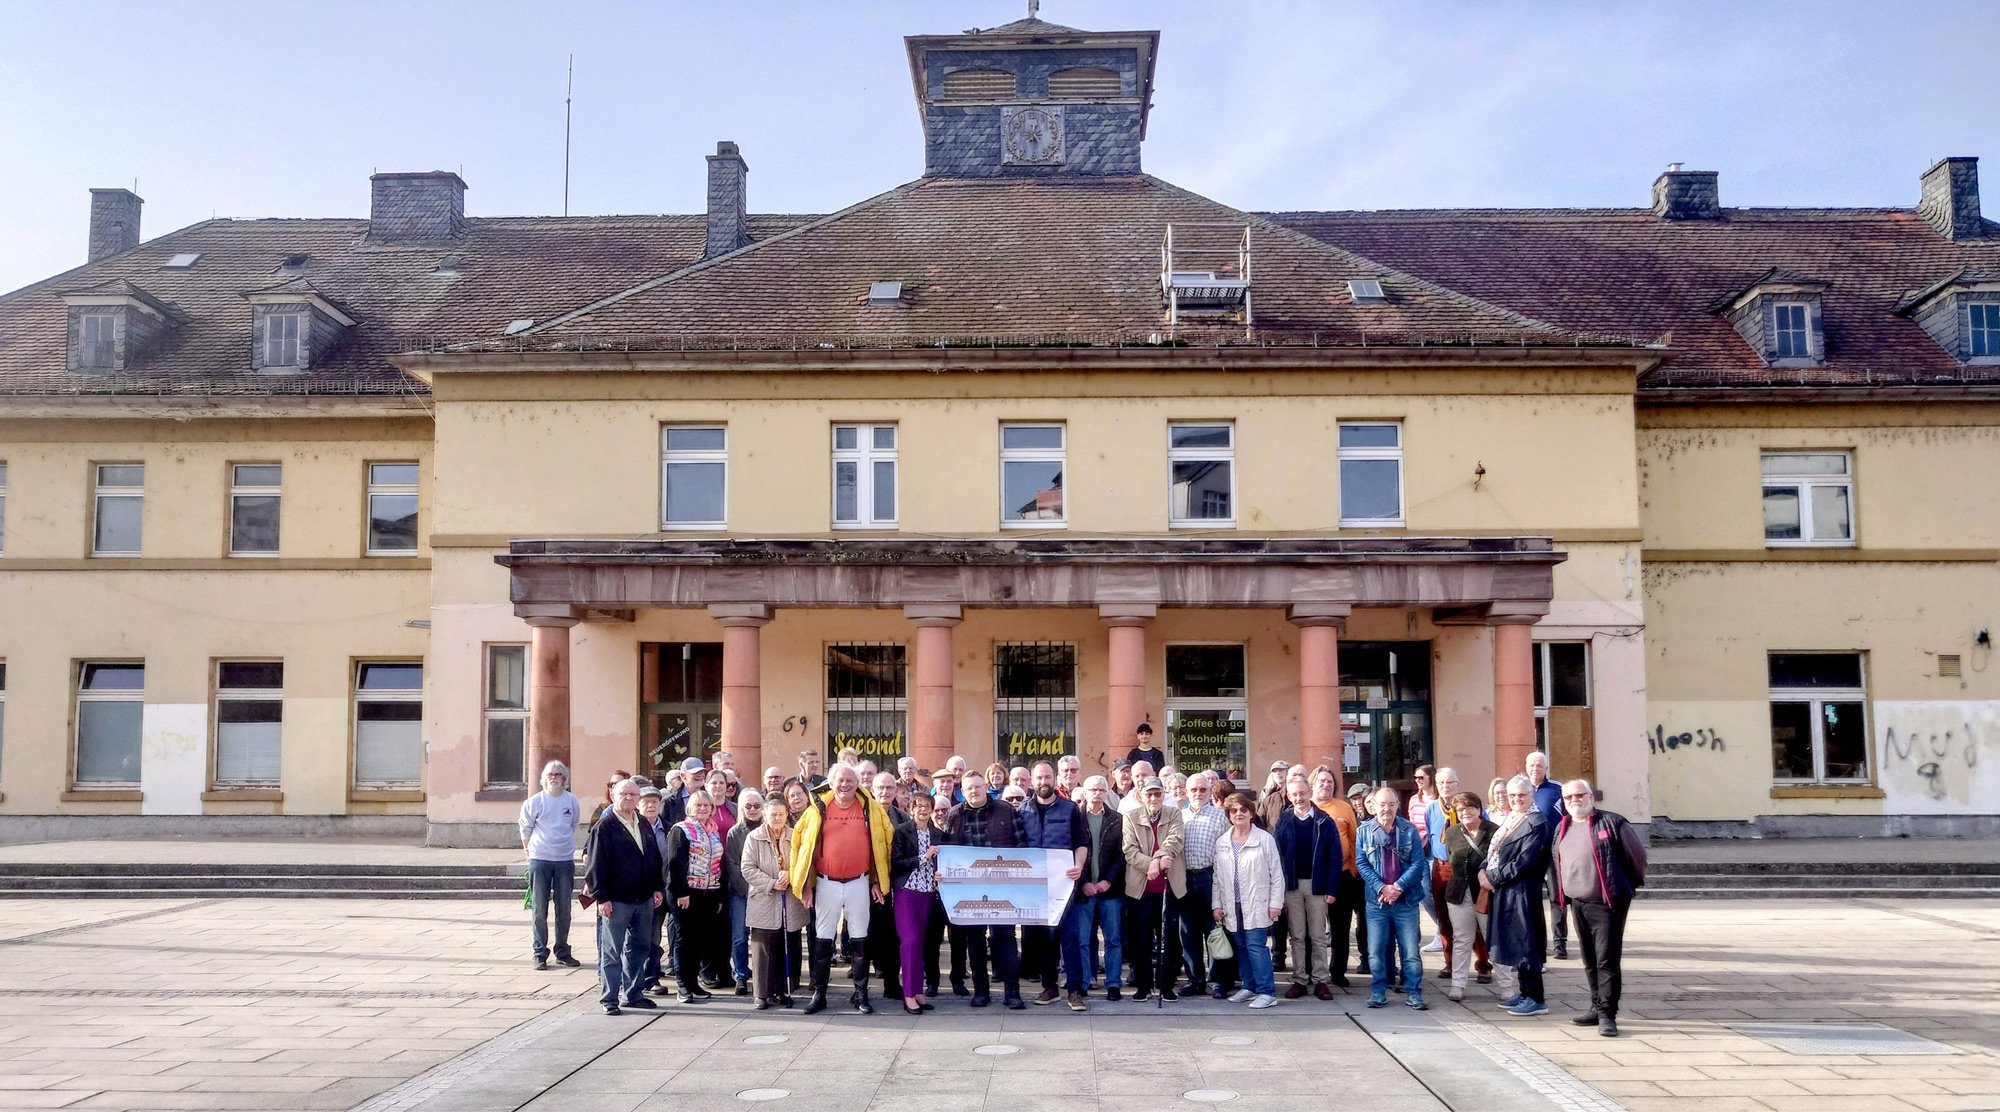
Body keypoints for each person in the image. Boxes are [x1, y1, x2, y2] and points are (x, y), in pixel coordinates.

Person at [788, 763, 895, 1015]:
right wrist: (806, 884)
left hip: (859, 881)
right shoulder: (817, 809)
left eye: (849, 780)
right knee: (823, 938)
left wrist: (878, 880)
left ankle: (861, 994)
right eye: (840, 780)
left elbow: (883, 844)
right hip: (826, 882)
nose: (844, 785)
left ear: (857, 782)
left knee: (860, 938)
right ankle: (819, 993)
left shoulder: (871, 808)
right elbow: (801, 847)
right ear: (831, 782)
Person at [1554, 779, 1647, 1037]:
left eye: (1579, 795)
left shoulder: (1613, 823)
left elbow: (1637, 858)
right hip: (1578, 902)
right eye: (1569, 797)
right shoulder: (1563, 826)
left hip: (1607, 903)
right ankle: (1596, 1007)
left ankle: (1608, 1014)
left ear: (1591, 796)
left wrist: (1624, 886)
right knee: (1589, 959)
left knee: (1606, 959)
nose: (1574, 800)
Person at [941, 770, 1027, 1009]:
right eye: (969, 789)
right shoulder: (954, 815)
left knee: (1005, 938)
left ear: (984, 786)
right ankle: (981, 991)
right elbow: (947, 852)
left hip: (1003, 886)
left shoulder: (1005, 810)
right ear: (963, 791)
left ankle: (1012, 992)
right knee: (975, 941)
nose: (974, 792)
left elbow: (1021, 845)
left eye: (978, 787)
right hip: (968, 889)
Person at [582, 778, 665, 1015]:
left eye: (633, 795)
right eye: (624, 794)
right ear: (614, 796)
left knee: (639, 947)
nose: (629, 798)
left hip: (644, 898)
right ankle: (609, 998)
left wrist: (657, 888)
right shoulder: (604, 827)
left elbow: (653, 859)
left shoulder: (643, 823)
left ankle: (634, 993)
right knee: (612, 950)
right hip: (616, 900)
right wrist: (602, 898)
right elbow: (595, 866)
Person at [1017, 760, 1090, 1010]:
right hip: (1035, 887)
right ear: (1032, 781)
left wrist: (1079, 866)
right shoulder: (1022, 811)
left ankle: (1075, 990)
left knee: (1069, 938)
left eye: (1047, 777)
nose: (1043, 782)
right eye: (1039, 778)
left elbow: (1081, 842)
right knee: (1042, 939)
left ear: (1055, 778)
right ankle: (1049, 987)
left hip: (1064, 886)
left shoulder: (1070, 809)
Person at [1482, 774, 1553, 1017]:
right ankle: (1524, 993)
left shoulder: (1536, 822)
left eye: (1521, 795)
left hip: (1523, 891)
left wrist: (1492, 877)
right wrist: (1484, 870)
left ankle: (1535, 998)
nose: (1516, 799)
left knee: (1526, 942)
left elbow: (1525, 861)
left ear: (1530, 795)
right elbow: (1496, 851)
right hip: (1506, 890)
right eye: (1512, 795)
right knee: (1514, 940)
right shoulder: (1513, 819)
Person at [1357, 785, 1428, 1010]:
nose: (1386, 808)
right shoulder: (1364, 831)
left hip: (1405, 901)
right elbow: (1361, 863)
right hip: (1376, 902)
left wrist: (1397, 887)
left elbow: (1419, 862)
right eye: (1382, 804)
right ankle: (1378, 991)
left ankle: (1414, 992)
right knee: (1376, 950)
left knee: (1410, 951)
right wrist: (1382, 888)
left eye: (1391, 804)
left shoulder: (1408, 830)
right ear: (1373, 807)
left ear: (1398, 805)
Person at [1211, 790, 1283, 1009]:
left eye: (1243, 809)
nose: (1239, 813)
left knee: (1256, 946)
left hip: (1257, 901)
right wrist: (1217, 904)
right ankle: (1249, 986)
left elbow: (1276, 874)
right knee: (1241, 946)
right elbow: (1217, 877)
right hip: (1233, 904)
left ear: (1251, 813)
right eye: (1233, 811)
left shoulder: (1264, 839)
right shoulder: (1223, 841)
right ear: (1228, 815)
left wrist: (1275, 903)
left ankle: (1266, 991)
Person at [1273, 776, 1341, 1000]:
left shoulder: (1324, 821)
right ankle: (1300, 979)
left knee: (1318, 936)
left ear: (1309, 792)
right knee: (1297, 936)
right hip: (1291, 886)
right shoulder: (1283, 821)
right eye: (1294, 795)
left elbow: (1335, 857)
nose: (1299, 798)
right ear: (1288, 796)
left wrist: (1332, 888)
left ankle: (1321, 980)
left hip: (1317, 886)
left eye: (1302, 793)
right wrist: (1278, 890)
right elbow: (1276, 857)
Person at [1122, 777, 1186, 1002]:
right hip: (1140, 889)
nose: (1153, 798)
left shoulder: (1174, 813)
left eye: (1157, 793)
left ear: (1163, 794)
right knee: (1140, 939)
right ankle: (1143, 985)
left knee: (1169, 938)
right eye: (1148, 794)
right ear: (1140, 795)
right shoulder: (1130, 817)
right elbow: (1129, 850)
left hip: (1169, 887)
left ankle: (1166, 985)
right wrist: (1149, 865)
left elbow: (1175, 840)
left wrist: (1157, 862)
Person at [740, 791, 803, 1010]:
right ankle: (761, 994)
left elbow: (802, 863)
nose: (777, 818)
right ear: (765, 814)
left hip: (789, 899)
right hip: (764, 899)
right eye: (773, 814)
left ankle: (782, 990)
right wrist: (770, 882)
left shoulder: (794, 836)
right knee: (762, 949)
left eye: (780, 814)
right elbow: (747, 868)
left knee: (785, 945)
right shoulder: (753, 837)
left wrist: (789, 873)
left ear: (787, 815)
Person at [666, 790, 730, 1004]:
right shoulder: (681, 829)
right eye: (698, 805)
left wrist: (719, 895)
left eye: (706, 805)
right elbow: (675, 863)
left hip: (709, 893)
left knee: (700, 940)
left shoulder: (713, 831)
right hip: (686, 893)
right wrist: (681, 892)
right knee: (684, 939)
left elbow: (719, 865)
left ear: (712, 808)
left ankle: (694, 983)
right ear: (690, 808)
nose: (702, 808)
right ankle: (683, 984)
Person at [519, 760, 582, 971]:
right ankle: (539, 952)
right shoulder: (534, 802)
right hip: (540, 859)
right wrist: (529, 852)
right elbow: (525, 829)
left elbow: (573, 825)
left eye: (558, 775)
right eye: (550, 775)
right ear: (543, 778)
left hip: (564, 859)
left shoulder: (571, 801)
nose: (554, 778)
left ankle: (563, 951)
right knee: (539, 908)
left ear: (564, 778)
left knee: (564, 908)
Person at [1424, 768, 1485, 982]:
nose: (1445, 787)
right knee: (1444, 918)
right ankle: (1450, 962)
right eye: (1441, 783)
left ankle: (1483, 964)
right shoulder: (1431, 808)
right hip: (1441, 867)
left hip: (1468, 868)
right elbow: (1431, 838)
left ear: (1457, 784)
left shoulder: (1468, 806)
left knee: (1475, 917)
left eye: (1450, 782)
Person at [1178, 770, 1231, 997]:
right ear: (1186, 792)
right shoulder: (1178, 816)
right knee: (1188, 932)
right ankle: (1195, 980)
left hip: (1211, 877)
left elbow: (1227, 851)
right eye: (1193, 790)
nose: (1198, 793)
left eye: (1202, 790)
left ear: (1210, 791)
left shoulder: (1220, 817)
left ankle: (1217, 980)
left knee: (1214, 930)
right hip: (1185, 879)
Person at [1073, 774, 1126, 1002]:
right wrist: (1083, 882)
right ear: (1084, 792)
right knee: (1083, 940)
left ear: (1107, 793)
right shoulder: (1075, 819)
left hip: (1110, 890)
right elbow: (1071, 852)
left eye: (1101, 790)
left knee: (1113, 940)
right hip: (1083, 891)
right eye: (1093, 789)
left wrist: (1108, 881)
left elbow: (1122, 854)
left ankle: (1113, 983)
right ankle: (1084, 982)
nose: (1097, 793)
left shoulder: (1118, 819)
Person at [889, 789, 942, 1015]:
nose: (923, 809)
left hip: (928, 892)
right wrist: (924, 858)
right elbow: (897, 863)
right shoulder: (902, 832)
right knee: (909, 941)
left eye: (927, 806)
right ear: (911, 809)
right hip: (907, 891)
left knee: (921, 943)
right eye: (918, 805)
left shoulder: (938, 834)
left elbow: (946, 861)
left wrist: (942, 873)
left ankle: (918, 992)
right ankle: (908, 994)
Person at [1441, 791, 1495, 1002]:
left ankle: (1507, 985)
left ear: (1479, 809)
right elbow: (1451, 859)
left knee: (1493, 939)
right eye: (1460, 809)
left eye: (1469, 808)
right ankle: (1458, 985)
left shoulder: (1493, 831)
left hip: (1484, 893)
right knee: (1462, 939)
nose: (1465, 812)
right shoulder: (1453, 832)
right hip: (1458, 893)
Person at [1310, 767, 1359, 988]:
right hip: (1313, 879)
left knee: (1341, 928)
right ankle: (1313, 970)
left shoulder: (1344, 808)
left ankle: (1338, 970)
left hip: (1342, 876)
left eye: (1330, 782)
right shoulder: (1305, 807)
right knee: (1314, 928)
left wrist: (1354, 869)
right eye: (1321, 781)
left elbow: (1353, 840)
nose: (1326, 785)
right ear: (1312, 784)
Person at [866, 771, 908, 1002]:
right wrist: (873, 879)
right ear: (872, 789)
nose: (885, 792)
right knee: (868, 936)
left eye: (890, 788)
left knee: (893, 936)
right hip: (867, 885)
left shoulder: (901, 818)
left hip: (895, 885)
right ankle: (861, 987)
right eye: (880, 788)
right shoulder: (863, 814)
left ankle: (892, 984)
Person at [1526, 751, 1568, 959]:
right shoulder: (1520, 789)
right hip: (1530, 852)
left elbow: (1568, 818)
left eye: (1539, 765)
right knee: (1530, 897)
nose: (1535, 769)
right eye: (1531, 765)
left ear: (1546, 769)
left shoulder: (1557, 790)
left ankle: (1560, 943)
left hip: (1553, 851)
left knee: (1556, 897)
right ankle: (1535, 941)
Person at [724, 790, 766, 995]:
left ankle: (762, 976)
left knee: (762, 936)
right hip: (740, 892)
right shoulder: (735, 832)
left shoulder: (769, 829)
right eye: (748, 806)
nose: (752, 810)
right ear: (741, 808)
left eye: (756, 806)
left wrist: (762, 887)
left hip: (765, 892)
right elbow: (732, 865)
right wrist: (748, 889)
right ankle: (740, 975)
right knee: (740, 935)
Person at [637, 786, 673, 992]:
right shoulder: (634, 828)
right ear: (638, 805)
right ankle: (644, 978)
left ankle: (652, 975)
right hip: (642, 891)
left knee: (656, 936)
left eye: (654, 802)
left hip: (665, 889)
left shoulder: (669, 828)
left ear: (660, 805)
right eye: (646, 802)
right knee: (644, 936)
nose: (650, 806)